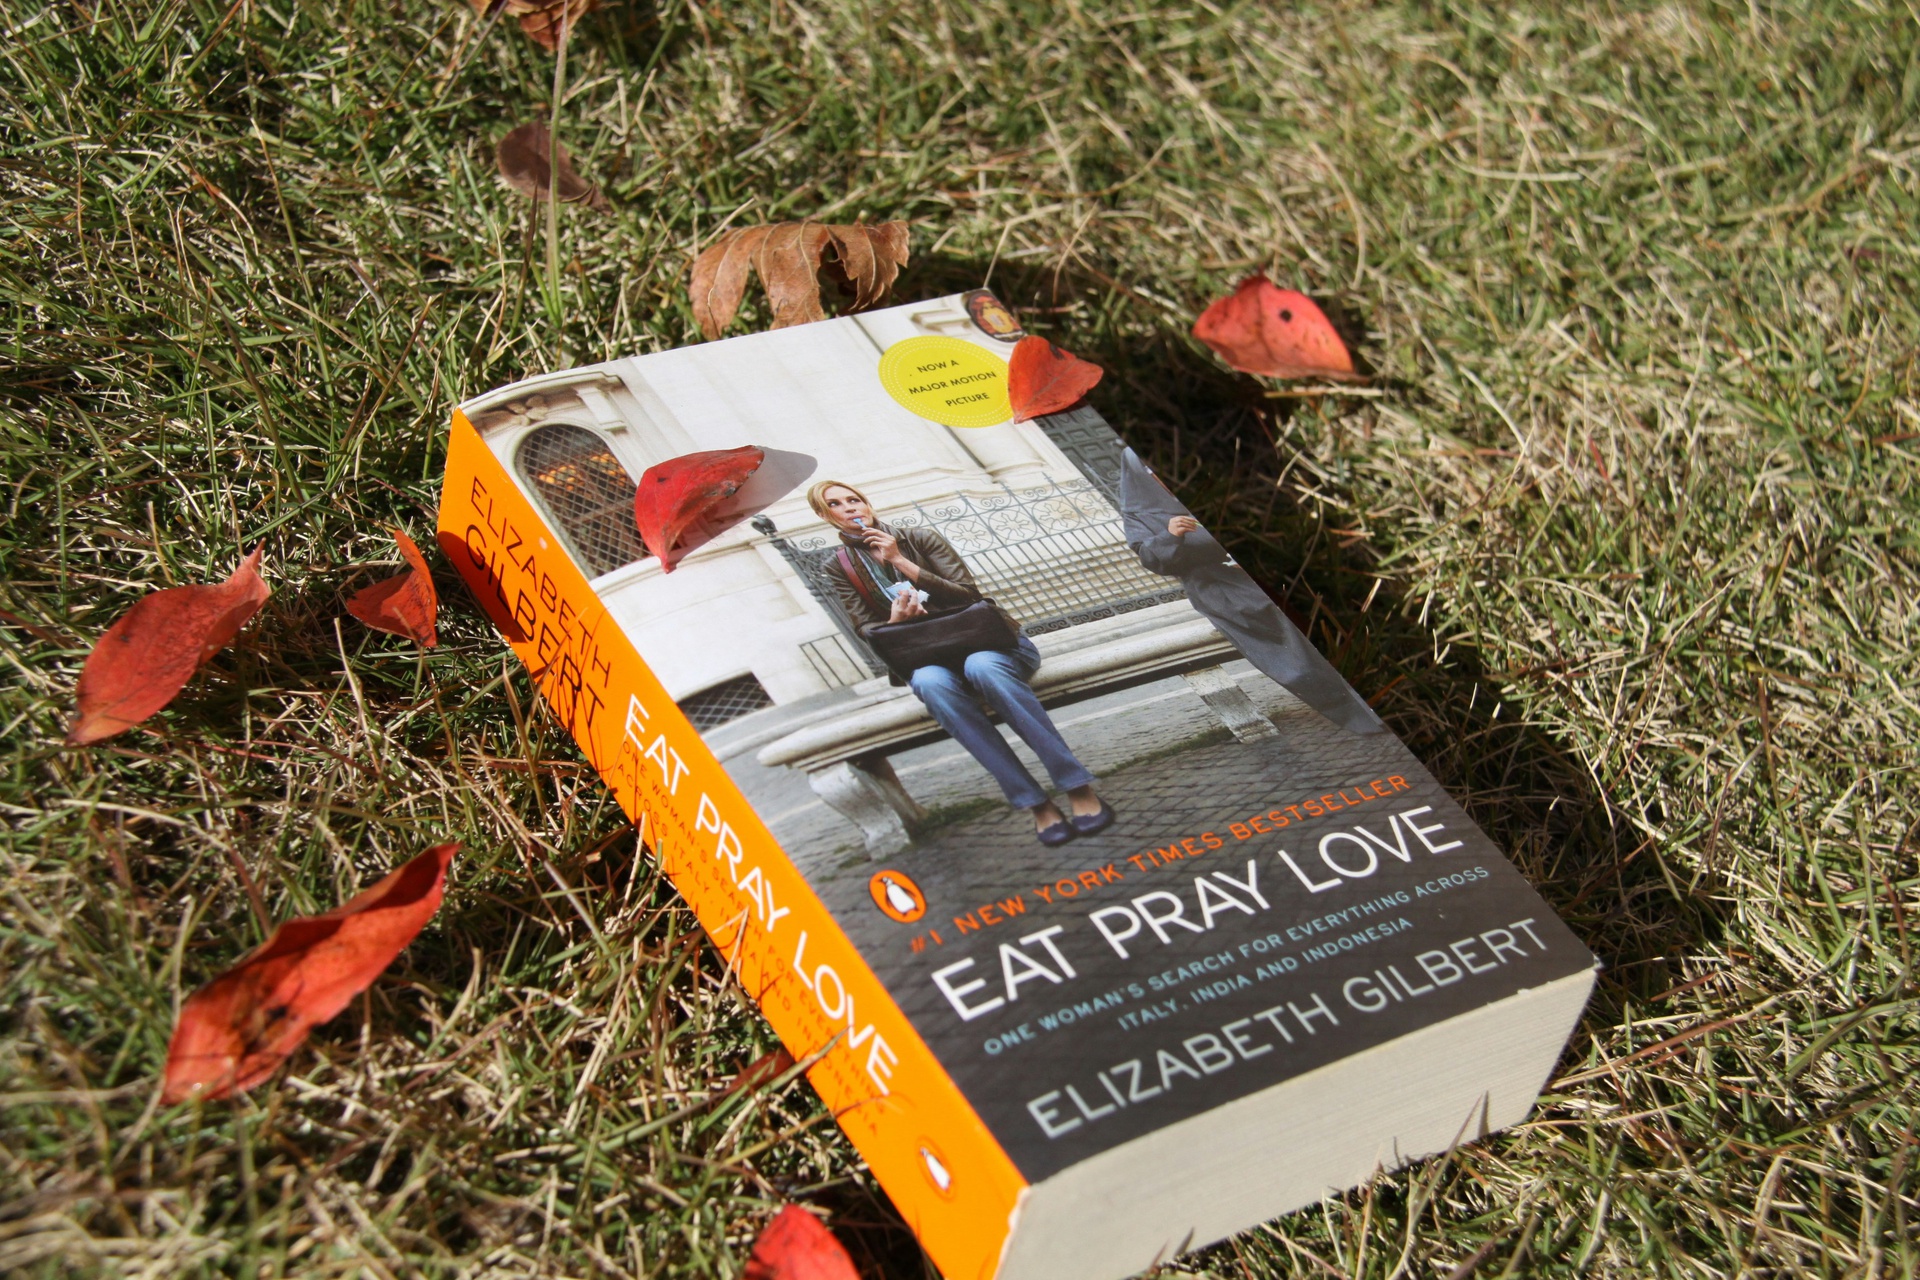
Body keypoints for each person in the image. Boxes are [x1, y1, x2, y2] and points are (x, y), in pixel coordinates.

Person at [808, 480, 1112, 846]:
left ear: (867, 504)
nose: (849, 507)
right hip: (928, 656)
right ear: (824, 515)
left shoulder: (919, 538)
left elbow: (968, 594)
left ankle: (1076, 786)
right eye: (835, 504)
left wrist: (900, 560)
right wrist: (895, 620)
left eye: (854, 499)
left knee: (982, 667)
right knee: (929, 683)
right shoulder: (838, 566)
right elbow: (863, 626)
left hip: (991, 645)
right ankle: (1034, 802)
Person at [1118, 449, 1386, 736]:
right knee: (1297, 665)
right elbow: (1152, 560)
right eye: (1152, 472)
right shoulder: (1139, 515)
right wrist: (1170, 536)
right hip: (1223, 593)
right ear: (1140, 475)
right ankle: (1358, 717)